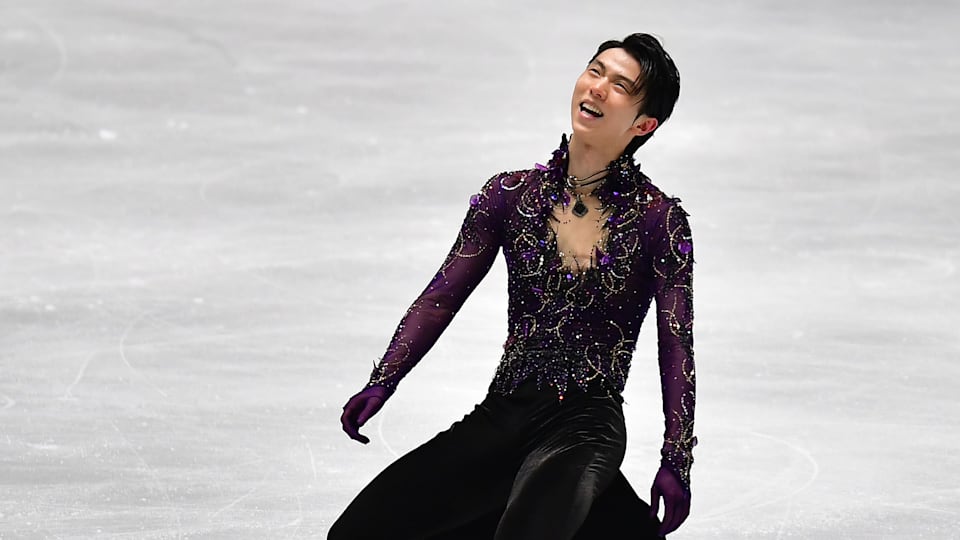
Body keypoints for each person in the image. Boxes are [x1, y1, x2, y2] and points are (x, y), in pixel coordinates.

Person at [329, 33, 696, 539]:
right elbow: (440, 299)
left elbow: (675, 342)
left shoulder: (659, 220)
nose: (597, 88)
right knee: (357, 534)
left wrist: (676, 458)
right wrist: (383, 379)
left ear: (643, 123)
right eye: (595, 71)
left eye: (619, 85)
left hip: (585, 427)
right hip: (502, 415)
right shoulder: (508, 196)